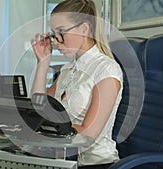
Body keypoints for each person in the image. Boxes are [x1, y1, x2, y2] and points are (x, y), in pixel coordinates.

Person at [30, 0, 123, 168]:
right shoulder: (68, 69)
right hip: (61, 159)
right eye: (53, 34)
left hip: (94, 164)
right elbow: (39, 108)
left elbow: (88, 135)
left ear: (84, 29)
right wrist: (43, 63)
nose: (56, 41)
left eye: (61, 33)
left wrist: (44, 126)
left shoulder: (107, 70)